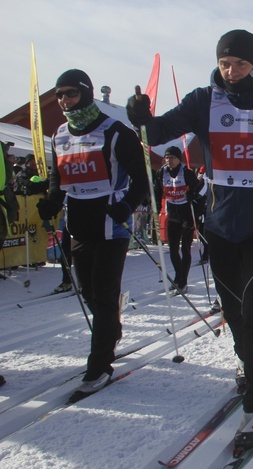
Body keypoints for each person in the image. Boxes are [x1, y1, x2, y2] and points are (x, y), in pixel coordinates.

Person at [126, 29, 253, 451]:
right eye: (224, 63)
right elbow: (159, 131)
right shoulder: (204, 100)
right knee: (233, 309)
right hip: (219, 225)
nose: (230, 71)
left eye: (238, 63)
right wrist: (140, 116)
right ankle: (246, 358)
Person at [36, 69, 148, 398]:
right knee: (88, 293)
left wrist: (126, 205)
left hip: (112, 226)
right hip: (78, 226)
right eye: (59, 95)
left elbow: (141, 181)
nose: (64, 100)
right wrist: (52, 202)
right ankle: (111, 326)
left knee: (102, 294)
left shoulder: (115, 132)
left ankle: (99, 365)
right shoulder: (59, 135)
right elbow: (60, 181)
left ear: (85, 92)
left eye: (70, 93)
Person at [154, 145, 204, 294]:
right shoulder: (161, 172)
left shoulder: (187, 173)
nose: (169, 160)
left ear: (178, 159)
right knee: (173, 249)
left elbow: (199, 193)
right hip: (173, 214)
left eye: (172, 158)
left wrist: (193, 195)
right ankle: (179, 277)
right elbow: (157, 190)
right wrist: (154, 204)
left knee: (185, 249)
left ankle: (182, 281)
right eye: (167, 157)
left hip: (187, 214)